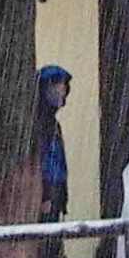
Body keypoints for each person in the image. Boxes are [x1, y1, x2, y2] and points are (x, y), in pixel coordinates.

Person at [35, 64, 74, 224]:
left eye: (64, 87)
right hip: (47, 196)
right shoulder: (41, 124)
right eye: (57, 87)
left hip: (55, 196)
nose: (62, 92)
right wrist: (46, 196)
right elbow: (47, 164)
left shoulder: (52, 124)